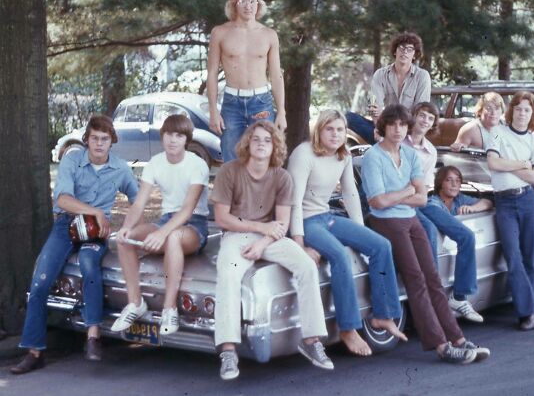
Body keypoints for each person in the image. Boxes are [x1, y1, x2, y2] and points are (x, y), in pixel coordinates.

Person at [361, 104, 490, 364]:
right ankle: (441, 346)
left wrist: (400, 196)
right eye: (392, 124)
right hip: (386, 222)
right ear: (383, 126)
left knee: (433, 277)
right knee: (416, 279)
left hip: (410, 220)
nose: (398, 130)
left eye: (402, 125)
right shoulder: (373, 157)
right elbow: (377, 202)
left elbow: (422, 198)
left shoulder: (409, 155)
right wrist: (407, 192)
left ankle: (458, 338)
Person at [11, 115, 138, 374]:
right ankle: (34, 351)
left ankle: (93, 337)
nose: (99, 144)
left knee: (90, 266)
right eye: (94, 138)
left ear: (111, 141)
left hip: (94, 232)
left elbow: (138, 199)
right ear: (87, 140)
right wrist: (96, 211)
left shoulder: (121, 168)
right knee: (39, 282)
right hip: (65, 225)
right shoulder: (72, 160)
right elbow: (64, 200)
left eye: (105, 139)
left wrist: (128, 226)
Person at [212, 121, 332, 380]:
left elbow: (282, 223)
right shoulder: (230, 171)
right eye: (256, 139)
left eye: (267, 140)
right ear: (247, 143)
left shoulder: (282, 176)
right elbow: (222, 218)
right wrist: (259, 229)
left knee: (306, 265)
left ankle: (311, 341)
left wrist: (262, 242)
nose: (261, 144)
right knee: (229, 273)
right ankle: (229, 351)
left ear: (275, 145)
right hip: (237, 233)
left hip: (271, 236)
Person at [288, 110, 406, 357]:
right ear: (319, 130)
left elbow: (350, 194)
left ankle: (383, 315)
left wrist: (361, 234)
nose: (335, 134)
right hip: (306, 222)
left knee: (381, 245)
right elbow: (294, 201)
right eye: (329, 129)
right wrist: (298, 243)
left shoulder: (343, 155)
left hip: (327, 216)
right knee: (339, 255)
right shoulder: (303, 154)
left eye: (340, 130)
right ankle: (348, 328)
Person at [111, 115, 210, 337]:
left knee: (173, 237)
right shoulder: (155, 162)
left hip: (193, 225)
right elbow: (139, 203)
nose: (173, 140)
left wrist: (163, 234)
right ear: (162, 135)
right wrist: (126, 226)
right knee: (126, 239)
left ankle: (169, 308)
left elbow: (187, 209)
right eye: (168, 134)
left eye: (179, 135)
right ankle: (135, 303)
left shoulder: (197, 164)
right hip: (166, 220)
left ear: (187, 139)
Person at [404, 102, 486, 323]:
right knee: (429, 230)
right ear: (413, 117)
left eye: (430, 119)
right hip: (404, 202)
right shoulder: (400, 142)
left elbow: (426, 184)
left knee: (466, 236)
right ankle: (433, 296)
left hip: (423, 199)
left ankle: (459, 296)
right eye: (421, 116)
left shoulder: (430, 150)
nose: (425, 121)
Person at [207, 0, 286, 162]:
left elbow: (276, 75)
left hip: (261, 102)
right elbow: (212, 73)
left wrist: (281, 111)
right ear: (234, 4)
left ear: (259, 4)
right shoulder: (220, 32)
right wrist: (213, 110)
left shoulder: (269, 34)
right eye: (243, 1)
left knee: (265, 155)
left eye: (252, 1)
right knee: (231, 157)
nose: (248, 6)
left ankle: (264, 191)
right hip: (231, 103)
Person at [486, 91, 534, 331]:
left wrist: (509, 167)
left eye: (527, 110)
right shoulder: (498, 132)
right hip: (505, 203)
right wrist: (521, 164)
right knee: (514, 256)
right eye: (518, 109)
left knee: (530, 257)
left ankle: (531, 309)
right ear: (511, 111)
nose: (522, 113)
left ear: (532, 114)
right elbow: (493, 163)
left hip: (528, 201)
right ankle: (527, 312)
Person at [424, 166, 493, 322]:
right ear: (440, 183)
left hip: (449, 252)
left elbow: (487, 202)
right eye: (449, 180)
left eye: (458, 181)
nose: (454, 185)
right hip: (430, 216)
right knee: (467, 237)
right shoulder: (432, 202)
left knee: (467, 237)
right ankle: (459, 297)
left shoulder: (459, 199)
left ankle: (459, 297)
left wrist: (472, 208)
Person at [347, 32, 431, 145]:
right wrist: (379, 128)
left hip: (409, 129)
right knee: (348, 117)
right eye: (401, 48)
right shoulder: (380, 74)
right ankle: (386, 142)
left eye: (410, 49)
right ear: (395, 51)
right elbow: (375, 106)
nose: (405, 51)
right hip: (385, 126)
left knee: (419, 121)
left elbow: (420, 110)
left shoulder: (422, 76)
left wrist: (400, 128)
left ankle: (389, 144)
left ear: (415, 55)